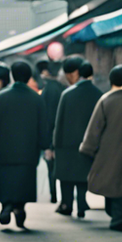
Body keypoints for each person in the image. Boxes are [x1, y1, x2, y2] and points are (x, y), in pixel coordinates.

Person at [0, 61, 51, 229]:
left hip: (3, 152)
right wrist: (45, 146)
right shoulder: (36, 99)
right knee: (23, 183)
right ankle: (19, 208)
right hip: (27, 153)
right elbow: (42, 127)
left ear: (12, 75)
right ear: (29, 77)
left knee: (5, 181)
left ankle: (6, 205)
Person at [81, 65, 122, 231]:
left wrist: (88, 149)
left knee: (113, 183)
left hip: (108, 152)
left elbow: (94, 130)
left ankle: (117, 217)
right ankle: (120, 217)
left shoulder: (106, 100)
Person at [53, 61, 100, 218]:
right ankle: (81, 204)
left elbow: (59, 122)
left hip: (66, 143)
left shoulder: (67, 94)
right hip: (87, 143)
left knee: (66, 177)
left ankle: (66, 204)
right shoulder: (98, 94)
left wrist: (55, 144)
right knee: (82, 177)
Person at [37, 60, 66, 204]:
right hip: (62, 135)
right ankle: (62, 197)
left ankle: (53, 194)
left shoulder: (48, 90)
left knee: (51, 168)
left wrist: (48, 145)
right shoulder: (63, 88)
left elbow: (47, 118)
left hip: (51, 135)